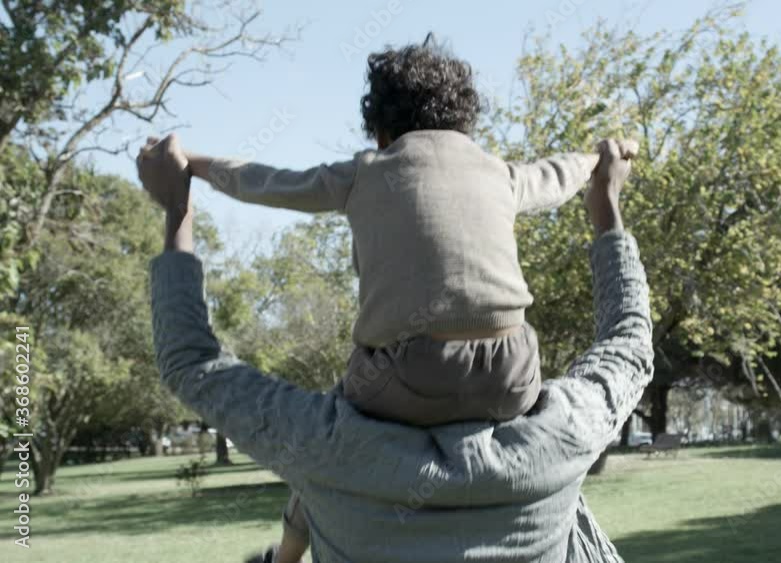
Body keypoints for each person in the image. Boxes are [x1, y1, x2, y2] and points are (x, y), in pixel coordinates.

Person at [175, 34, 600, 562]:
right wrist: (594, 157)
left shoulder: (365, 171)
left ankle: (285, 556)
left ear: (379, 130)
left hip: (403, 378)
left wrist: (193, 165)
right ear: (466, 124)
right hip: (511, 373)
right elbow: (555, 176)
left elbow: (266, 183)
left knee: (325, 445)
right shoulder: (500, 172)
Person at [138, 130, 652, 562]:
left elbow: (192, 360)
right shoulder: (564, 436)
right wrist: (606, 207)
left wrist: (178, 208)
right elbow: (630, 341)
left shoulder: (326, 448)